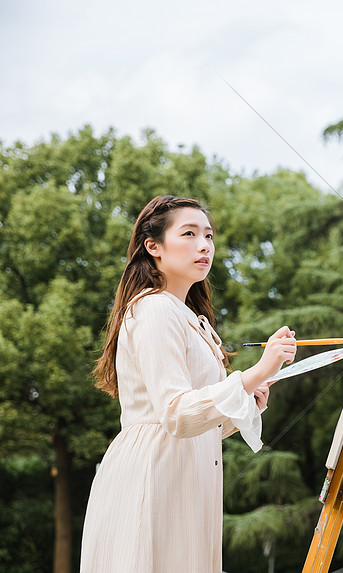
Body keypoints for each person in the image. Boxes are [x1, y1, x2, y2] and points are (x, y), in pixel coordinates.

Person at [80, 195, 296, 572]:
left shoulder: (189, 317)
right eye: (190, 233)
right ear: (154, 247)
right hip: (155, 474)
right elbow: (176, 413)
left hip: (187, 475)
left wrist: (248, 395)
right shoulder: (154, 309)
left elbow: (200, 424)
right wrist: (253, 374)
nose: (204, 246)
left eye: (209, 236)